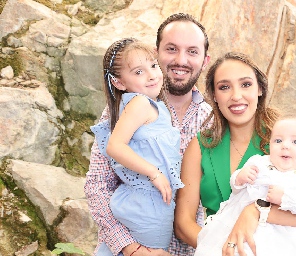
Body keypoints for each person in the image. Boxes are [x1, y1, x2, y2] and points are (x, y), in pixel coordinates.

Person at [174, 52, 296, 256]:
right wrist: (223, 248)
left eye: (246, 84)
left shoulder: (289, 140)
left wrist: (258, 212)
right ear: (214, 97)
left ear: (260, 88)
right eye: (224, 87)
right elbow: (183, 224)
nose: (236, 96)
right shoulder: (200, 146)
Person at [85, 13, 211, 256]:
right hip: (128, 246)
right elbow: (97, 186)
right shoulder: (122, 112)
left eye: (192, 51)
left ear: (205, 61)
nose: (180, 59)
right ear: (157, 52)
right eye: (171, 49)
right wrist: (134, 249)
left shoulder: (211, 121)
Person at [90, 37, 184, 254]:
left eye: (153, 65)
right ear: (119, 83)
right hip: (146, 204)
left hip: (152, 202)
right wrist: (154, 173)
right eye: (138, 72)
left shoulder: (154, 106)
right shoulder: (139, 103)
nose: (151, 75)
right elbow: (114, 146)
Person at [195, 116, 296, 256]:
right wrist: (239, 178)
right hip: (235, 224)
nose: (285, 145)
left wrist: (285, 198)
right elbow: (235, 189)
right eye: (278, 140)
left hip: (279, 237)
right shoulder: (260, 162)